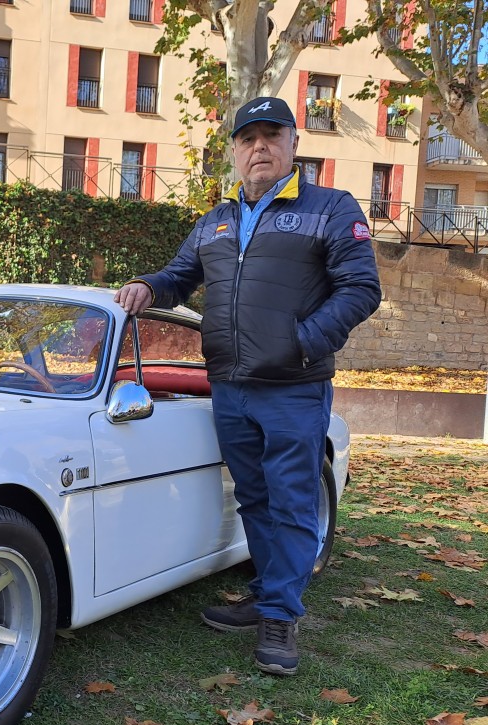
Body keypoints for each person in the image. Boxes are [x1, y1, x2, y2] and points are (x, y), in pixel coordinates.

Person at [113, 96, 381, 676]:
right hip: (228, 387)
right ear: (234, 150)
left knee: (291, 500)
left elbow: (361, 289)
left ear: (293, 145)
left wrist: (302, 340)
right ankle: (266, 594)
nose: (259, 147)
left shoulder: (331, 209)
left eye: (271, 135)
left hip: (293, 387)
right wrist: (144, 286)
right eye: (248, 138)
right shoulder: (216, 219)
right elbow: (179, 277)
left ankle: (282, 615)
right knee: (254, 498)